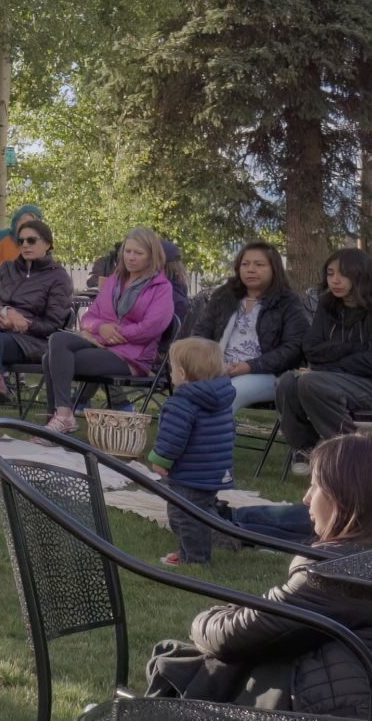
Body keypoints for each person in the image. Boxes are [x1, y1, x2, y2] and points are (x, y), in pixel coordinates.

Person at [145, 433, 372, 717]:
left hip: (337, 706)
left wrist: (200, 620)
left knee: (194, 660)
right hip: (346, 690)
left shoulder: (338, 574)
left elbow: (232, 636)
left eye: (315, 486)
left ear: (345, 496)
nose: (306, 498)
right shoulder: (354, 561)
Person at [38, 227, 175, 433]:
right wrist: (101, 327)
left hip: (132, 356)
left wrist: (113, 335)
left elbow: (152, 327)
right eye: (128, 251)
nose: (131, 257)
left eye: (138, 253)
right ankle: (62, 416)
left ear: (151, 256)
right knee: (57, 341)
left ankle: (58, 419)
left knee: (50, 358)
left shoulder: (161, 287)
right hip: (100, 342)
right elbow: (89, 317)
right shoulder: (114, 281)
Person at [277, 248, 372, 474]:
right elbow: (311, 349)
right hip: (332, 379)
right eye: (330, 274)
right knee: (288, 381)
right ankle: (304, 449)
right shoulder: (327, 305)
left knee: (311, 382)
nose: (335, 280)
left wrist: (329, 365)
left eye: (343, 274)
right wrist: (353, 349)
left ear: (360, 275)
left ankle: (354, 454)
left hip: (365, 384)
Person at [185, 242, 309, 410]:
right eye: (245, 264)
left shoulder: (288, 302)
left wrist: (250, 366)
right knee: (187, 394)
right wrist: (207, 363)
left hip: (267, 374)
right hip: (218, 369)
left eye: (259, 265)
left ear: (274, 269)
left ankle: (215, 436)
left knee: (227, 394)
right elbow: (200, 333)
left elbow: (293, 349)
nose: (251, 269)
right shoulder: (224, 296)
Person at [149, 338, 237, 566]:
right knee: (203, 512)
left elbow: (173, 438)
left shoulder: (182, 402)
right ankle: (199, 549)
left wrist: (161, 460)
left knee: (183, 517)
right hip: (213, 470)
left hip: (190, 472)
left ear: (181, 372)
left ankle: (195, 560)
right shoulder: (221, 398)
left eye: (171, 368)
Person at [0, 217, 74, 381]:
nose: (25, 245)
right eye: (21, 241)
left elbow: (54, 326)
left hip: (31, 342)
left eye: (31, 240)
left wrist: (24, 324)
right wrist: (5, 312)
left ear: (47, 244)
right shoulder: (6, 268)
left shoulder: (58, 277)